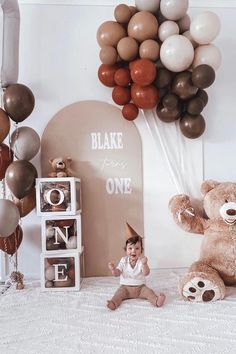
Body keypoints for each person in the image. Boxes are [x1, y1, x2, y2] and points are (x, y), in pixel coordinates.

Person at [107, 223, 166, 310]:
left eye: (137, 248)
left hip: (140, 288)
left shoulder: (141, 261)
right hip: (125, 288)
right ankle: (113, 303)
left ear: (141, 250)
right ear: (126, 250)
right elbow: (117, 273)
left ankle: (156, 301)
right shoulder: (123, 260)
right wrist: (113, 269)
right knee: (118, 294)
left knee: (149, 292)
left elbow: (146, 273)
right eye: (130, 248)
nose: (133, 251)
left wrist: (145, 264)